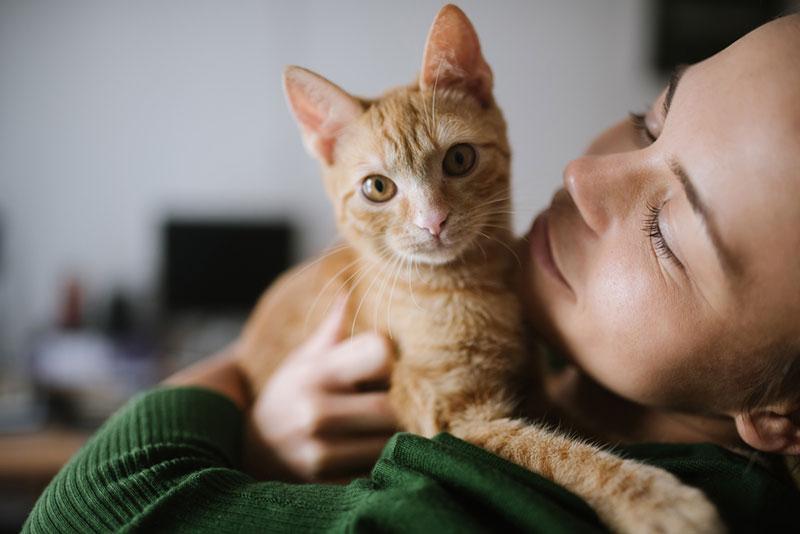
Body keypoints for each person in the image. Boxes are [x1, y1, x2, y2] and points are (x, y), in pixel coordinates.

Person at [24, 14, 800, 534]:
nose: (585, 175)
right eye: (646, 120)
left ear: (780, 413)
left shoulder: (460, 510)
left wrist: (229, 393)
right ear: (326, 155)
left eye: (667, 229)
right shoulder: (573, 335)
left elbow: (79, 514)